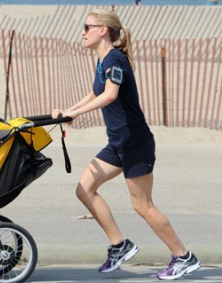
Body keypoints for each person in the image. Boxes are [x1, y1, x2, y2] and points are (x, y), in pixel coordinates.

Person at [52, 9, 201, 280]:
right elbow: (95, 92)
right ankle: (120, 245)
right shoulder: (103, 61)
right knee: (85, 189)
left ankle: (184, 257)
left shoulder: (115, 59)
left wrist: (76, 114)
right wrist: (68, 111)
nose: (83, 32)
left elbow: (109, 95)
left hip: (135, 142)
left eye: (87, 27)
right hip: (118, 143)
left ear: (103, 30)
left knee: (143, 206)